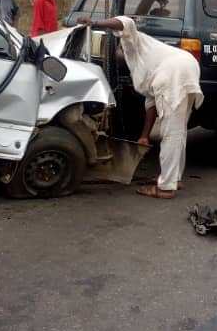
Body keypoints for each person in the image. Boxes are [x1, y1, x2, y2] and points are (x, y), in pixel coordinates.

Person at [78, 15, 203, 198]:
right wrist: (144, 136)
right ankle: (173, 178)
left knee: (170, 133)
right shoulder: (142, 64)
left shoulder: (132, 43)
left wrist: (94, 23)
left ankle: (166, 188)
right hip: (186, 66)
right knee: (178, 131)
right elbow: (151, 105)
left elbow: (125, 22)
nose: (116, 54)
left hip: (174, 71)